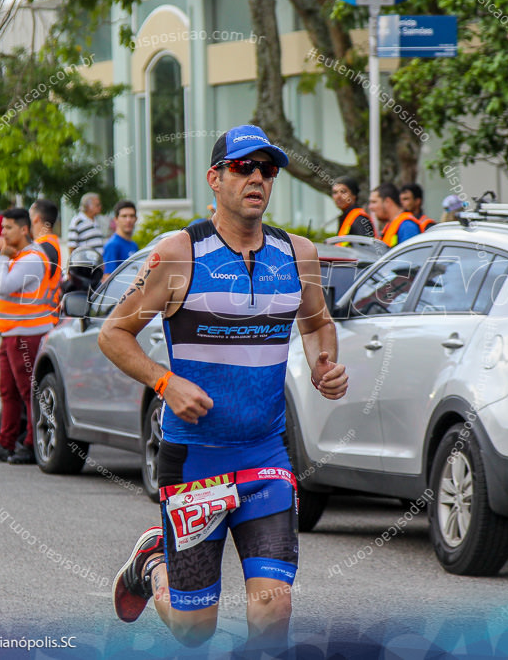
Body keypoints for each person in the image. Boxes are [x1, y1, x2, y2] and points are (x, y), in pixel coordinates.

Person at [100, 125, 348, 651]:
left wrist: (325, 365)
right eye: (243, 167)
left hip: (265, 455)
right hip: (195, 463)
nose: (257, 177)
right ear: (215, 178)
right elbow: (113, 334)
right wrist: (165, 383)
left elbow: (317, 322)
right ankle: (153, 566)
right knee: (195, 629)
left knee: (273, 608)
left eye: (267, 169)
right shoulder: (179, 255)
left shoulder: (296, 255)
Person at [0, 208, 58, 463]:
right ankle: (6, 442)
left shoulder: (31, 257)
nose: (3, 232)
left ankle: (32, 444)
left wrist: (1, 258)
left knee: (28, 392)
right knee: (8, 391)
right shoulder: (18, 256)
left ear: (24, 230)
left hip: (27, 334)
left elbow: (5, 286)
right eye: (2, 228)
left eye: (8, 228)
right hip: (11, 333)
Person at [372, 183, 421, 247]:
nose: (371, 207)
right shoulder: (391, 225)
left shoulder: (407, 226)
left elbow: (410, 255)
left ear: (387, 201)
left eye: (374, 202)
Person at [330, 175, 374, 240]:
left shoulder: (360, 219)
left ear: (354, 195)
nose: (338, 196)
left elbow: (365, 248)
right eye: (335, 192)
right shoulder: (346, 217)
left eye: (343, 192)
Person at [102, 200, 139, 274]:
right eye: (124, 216)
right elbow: (108, 278)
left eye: (131, 216)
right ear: (116, 219)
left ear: (136, 219)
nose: (128, 220)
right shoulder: (112, 245)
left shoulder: (134, 245)